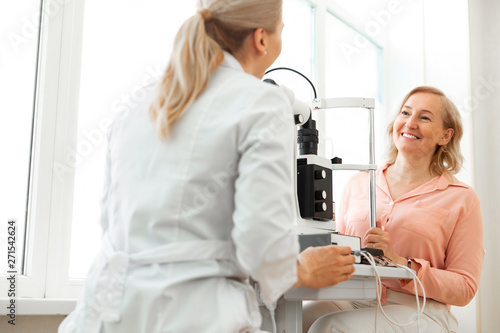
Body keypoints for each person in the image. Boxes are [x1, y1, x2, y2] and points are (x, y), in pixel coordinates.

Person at [58, 1, 355, 332]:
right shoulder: (263, 102)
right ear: (261, 39)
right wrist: (302, 268)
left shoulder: (137, 105)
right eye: (282, 30)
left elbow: (109, 225)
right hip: (193, 315)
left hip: (103, 314)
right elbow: (262, 246)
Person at [303, 86, 484, 332]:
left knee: (330, 327)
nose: (410, 123)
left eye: (424, 117)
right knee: (296, 319)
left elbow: (465, 288)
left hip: (419, 309)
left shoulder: (461, 198)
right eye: (405, 113)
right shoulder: (359, 181)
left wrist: (401, 263)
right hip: (353, 297)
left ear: (445, 136)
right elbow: (338, 253)